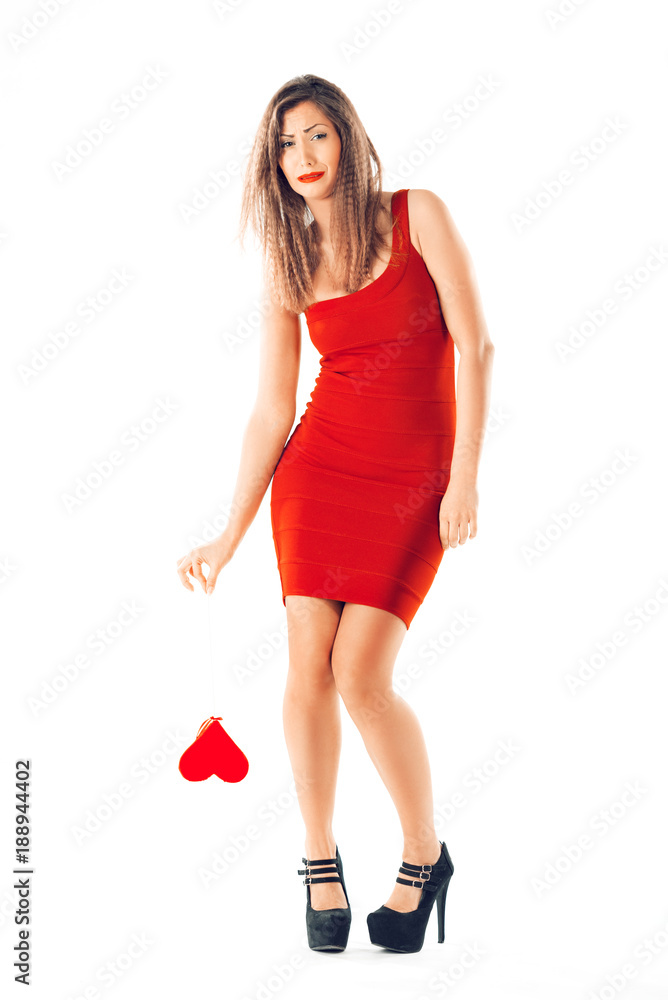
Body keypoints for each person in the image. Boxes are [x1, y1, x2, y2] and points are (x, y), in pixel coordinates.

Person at [176, 74, 494, 954]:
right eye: (285, 144)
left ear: (347, 139)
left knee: (361, 671)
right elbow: (271, 410)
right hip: (317, 475)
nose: (302, 156)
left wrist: (466, 476)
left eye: (316, 134)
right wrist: (228, 535)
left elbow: (476, 345)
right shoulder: (289, 264)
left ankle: (424, 854)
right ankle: (319, 856)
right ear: (273, 164)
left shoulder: (417, 215)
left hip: (415, 479)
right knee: (307, 663)